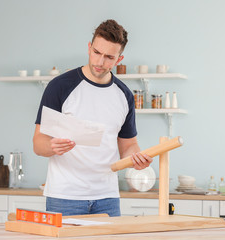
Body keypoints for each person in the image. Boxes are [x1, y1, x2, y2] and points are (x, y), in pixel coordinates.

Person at [33, 19, 153, 217]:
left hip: (107, 198)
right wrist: (52, 146)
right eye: (96, 52)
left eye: (108, 57)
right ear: (89, 48)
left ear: (118, 60)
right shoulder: (60, 87)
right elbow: (38, 143)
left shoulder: (124, 95)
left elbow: (128, 145)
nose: (99, 62)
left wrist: (136, 159)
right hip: (65, 197)